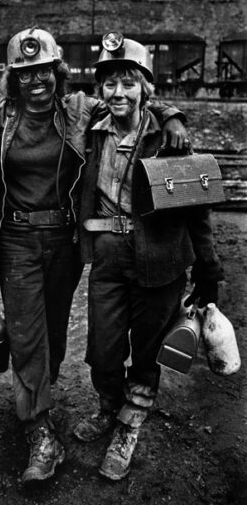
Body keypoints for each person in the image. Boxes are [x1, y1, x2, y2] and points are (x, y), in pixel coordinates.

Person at [0, 26, 189, 485]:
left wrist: (172, 115)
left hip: (65, 243)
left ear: (58, 72)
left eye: (45, 70)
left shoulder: (79, 110)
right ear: (13, 78)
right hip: (16, 242)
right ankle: (40, 432)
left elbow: (133, 102)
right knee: (28, 336)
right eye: (26, 72)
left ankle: (41, 401)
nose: (37, 81)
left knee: (51, 335)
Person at [75, 32, 224, 481]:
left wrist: (209, 269)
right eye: (110, 84)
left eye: (129, 83)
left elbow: (196, 206)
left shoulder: (169, 138)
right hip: (107, 256)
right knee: (102, 349)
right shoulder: (91, 130)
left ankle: (130, 422)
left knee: (146, 351)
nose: (118, 93)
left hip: (161, 260)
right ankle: (108, 405)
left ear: (145, 87)